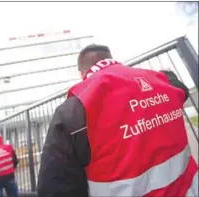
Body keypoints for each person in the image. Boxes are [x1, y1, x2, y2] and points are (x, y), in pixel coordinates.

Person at [37, 44, 198, 197]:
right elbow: (180, 89)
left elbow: (54, 188)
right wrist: (169, 74)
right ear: (111, 59)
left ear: (82, 73)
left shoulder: (73, 110)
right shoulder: (160, 81)